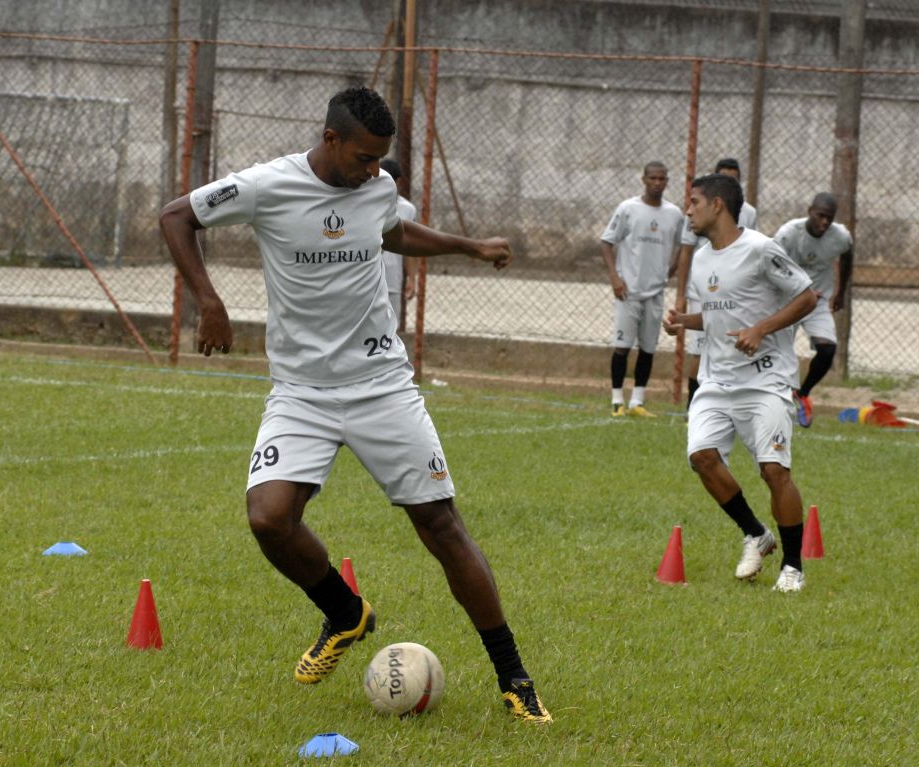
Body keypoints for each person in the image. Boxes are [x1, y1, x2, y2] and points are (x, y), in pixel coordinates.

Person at [159, 86, 551, 723]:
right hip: (302, 391)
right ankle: (345, 613)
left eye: (380, 160)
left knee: (441, 525)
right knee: (269, 519)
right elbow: (176, 216)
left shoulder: (374, 187)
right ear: (331, 139)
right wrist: (208, 300)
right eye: (365, 157)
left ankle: (514, 676)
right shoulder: (266, 185)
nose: (375, 171)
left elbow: (393, 230)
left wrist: (468, 246)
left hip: (380, 385)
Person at [662, 174, 817, 592]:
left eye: (694, 202)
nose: (687, 210)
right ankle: (755, 533)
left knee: (773, 471)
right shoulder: (702, 259)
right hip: (717, 380)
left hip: (766, 380)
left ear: (717, 205)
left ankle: (793, 566)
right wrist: (684, 322)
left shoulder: (761, 249)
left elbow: (807, 296)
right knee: (702, 457)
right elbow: (719, 315)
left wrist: (761, 329)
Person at [600, 161, 684, 417]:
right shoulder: (628, 208)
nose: (657, 183)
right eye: (653, 178)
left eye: (662, 178)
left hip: (655, 292)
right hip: (628, 290)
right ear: (644, 180)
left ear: (667, 181)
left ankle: (637, 401)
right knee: (622, 346)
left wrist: (671, 269)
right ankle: (617, 401)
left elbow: (684, 245)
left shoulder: (674, 214)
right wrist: (615, 278)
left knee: (648, 348)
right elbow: (606, 242)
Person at [675, 158, 758, 409]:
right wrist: (680, 295)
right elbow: (686, 251)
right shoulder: (698, 214)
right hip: (703, 288)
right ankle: (695, 407)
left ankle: (731, 403)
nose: (690, 210)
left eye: (734, 179)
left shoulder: (749, 216)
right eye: (724, 177)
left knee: (728, 346)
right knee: (700, 350)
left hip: (732, 289)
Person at [773, 192, 854, 427]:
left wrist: (840, 292)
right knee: (777, 354)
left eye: (829, 217)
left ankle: (803, 394)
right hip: (786, 302)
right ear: (810, 211)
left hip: (816, 303)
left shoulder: (840, 236)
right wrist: (796, 289)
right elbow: (770, 264)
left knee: (828, 349)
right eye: (820, 216)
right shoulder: (789, 234)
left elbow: (847, 257)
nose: (825, 222)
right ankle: (769, 401)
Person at [378, 158, 417, 323]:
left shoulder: (407, 209)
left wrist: (412, 278)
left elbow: (409, 246)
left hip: (392, 278)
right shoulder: (366, 204)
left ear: (398, 182)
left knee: (391, 324)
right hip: (366, 277)